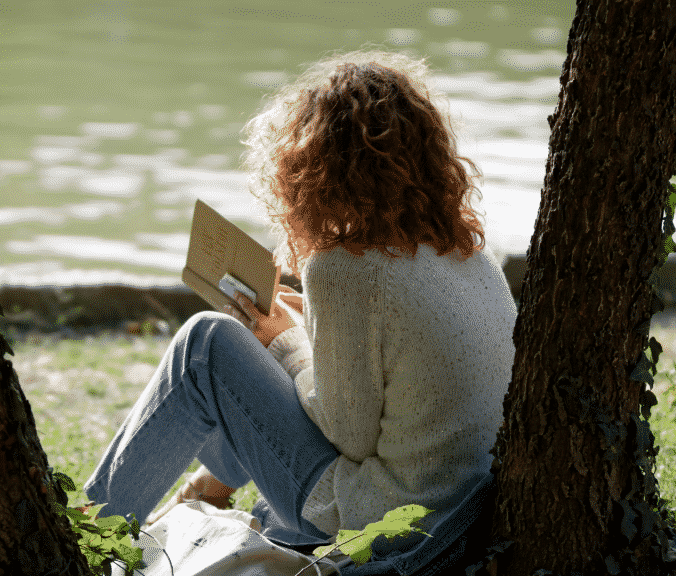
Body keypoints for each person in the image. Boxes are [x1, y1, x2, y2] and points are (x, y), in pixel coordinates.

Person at [83, 49, 517, 554]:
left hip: (383, 530)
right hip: (457, 516)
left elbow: (348, 435)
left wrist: (284, 342)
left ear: (313, 170)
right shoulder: (465, 250)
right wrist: (307, 335)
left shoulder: (347, 268)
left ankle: (85, 537)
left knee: (207, 343)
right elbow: (392, 387)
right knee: (266, 350)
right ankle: (205, 491)